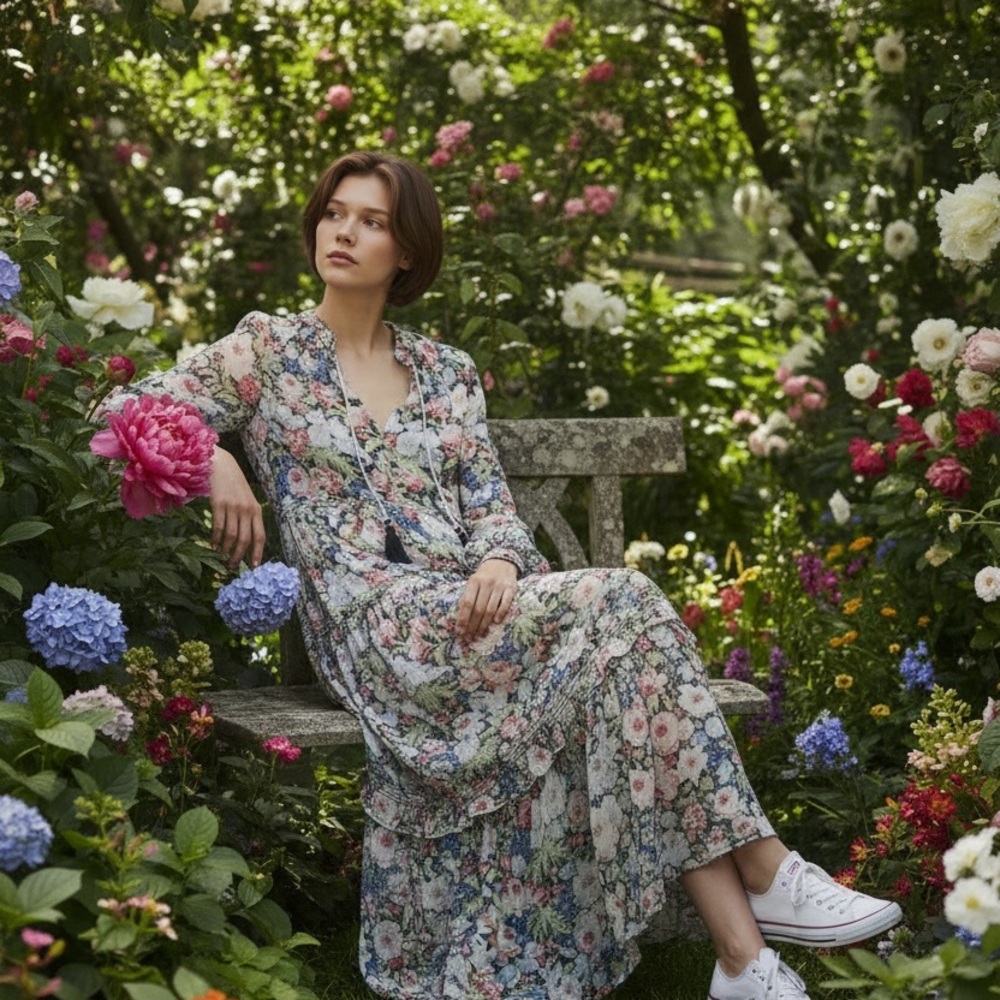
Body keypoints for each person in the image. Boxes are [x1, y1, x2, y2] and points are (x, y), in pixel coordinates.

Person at [107, 151, 901, 1000]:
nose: (345, 231)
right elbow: (122, 403)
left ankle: (743, 961)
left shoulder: (446, 373)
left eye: (372, 221)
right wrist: (214, 461)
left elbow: (490, 508)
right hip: (379, 631)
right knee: (624, 604)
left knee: (618, 665)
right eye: (336, 212)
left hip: (478, 613)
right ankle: (768, 871)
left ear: (406, 250)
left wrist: (496, 556)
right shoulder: (263, 351)